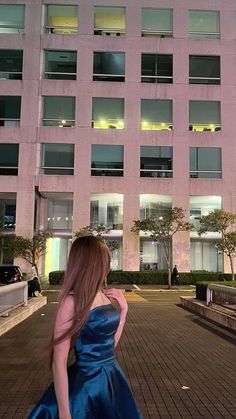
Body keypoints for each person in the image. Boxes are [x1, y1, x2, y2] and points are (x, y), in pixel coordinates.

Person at [28, 236, 143, 419]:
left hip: (111, 378)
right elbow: (59, 361)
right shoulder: (71, 302)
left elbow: (109, 347)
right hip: (86, 387)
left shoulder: (101, 294)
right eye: (104, 259)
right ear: (89, 263)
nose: (108, 265)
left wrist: (123, 312)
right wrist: (65, 413)